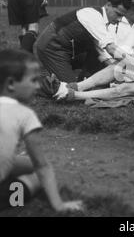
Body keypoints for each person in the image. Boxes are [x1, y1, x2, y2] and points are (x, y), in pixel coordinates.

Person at [0, 49, 83, 212]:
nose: (38, 86)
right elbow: (42, 166)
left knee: (21, 162)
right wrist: (59, 205)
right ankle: (14, 203)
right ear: (11, 84)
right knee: (38, 176)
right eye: (33, 80)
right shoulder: (24, 115)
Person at [35, 0, 134, 84]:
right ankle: (36, 84)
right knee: (72, 89)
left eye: (122, 16)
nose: (120, 19)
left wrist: (118, 73)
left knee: (93, 70)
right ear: (108, 5)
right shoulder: (93, 16)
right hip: (52, 48)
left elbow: (102, 54)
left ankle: (72, 75)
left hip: (70, 51)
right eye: (118, 14)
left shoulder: (105, 21)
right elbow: (111, 49)